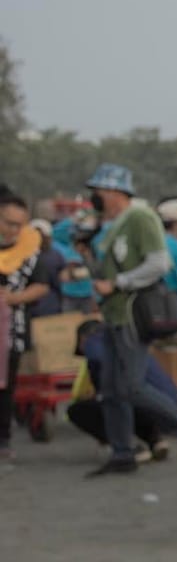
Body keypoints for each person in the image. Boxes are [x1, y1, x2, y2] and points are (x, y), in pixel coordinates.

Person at [79, 165, 177, 476]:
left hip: (132, 314)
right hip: (113, 314)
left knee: (132, 386)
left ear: (114, 193)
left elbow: (159, 263)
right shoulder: (113, 225)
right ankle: (122, 452)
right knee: (111, 388)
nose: (94, 198)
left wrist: (120, 282)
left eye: (98, 192)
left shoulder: (140, 217)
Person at [1, 188, 64, 461]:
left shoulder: (30, 252)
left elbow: (41, 286)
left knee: (5, 386)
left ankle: (2, 439)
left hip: (11, 332)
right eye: (9, 223)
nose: (14, 230)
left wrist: (14, 298)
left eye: (19, 225)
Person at [66, 318, 177, 454]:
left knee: (77, 410)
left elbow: (103, 375)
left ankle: (127, 448)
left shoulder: (93, 342)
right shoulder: (130, 341)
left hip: (141, 401)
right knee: (131, 399)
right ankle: (156, 441)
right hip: (169, 406)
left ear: (82, 338)